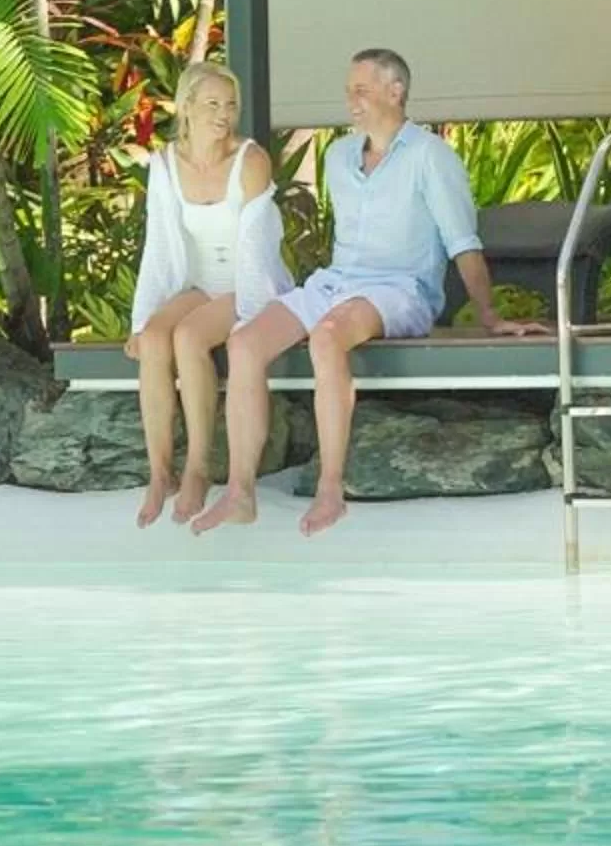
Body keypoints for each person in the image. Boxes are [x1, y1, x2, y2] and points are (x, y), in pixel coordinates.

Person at [193, 48, 540, 538]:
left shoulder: (430, 156)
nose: (350, 101)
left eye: (361, 90)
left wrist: (488, 314)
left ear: (395, 91)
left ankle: (331, 488)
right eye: (348, 91)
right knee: (244, 342)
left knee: (328, 336)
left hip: (401, 289)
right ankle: (240, 492)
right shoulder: (338, 157)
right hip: (338, 281)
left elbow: (462, 242)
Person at [123, 62, 286, 526]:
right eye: (213, 103)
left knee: (190, 338)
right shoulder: (166, 164)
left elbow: (257, 252)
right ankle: (159, 473)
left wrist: (253, 318)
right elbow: (159, 246)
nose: (224, 114)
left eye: (231, 105)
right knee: (155, 338)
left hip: (248, 285)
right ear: (187, 107)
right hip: (198, 284)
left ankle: (197, 467)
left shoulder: (250, 160)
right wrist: (140, 321)